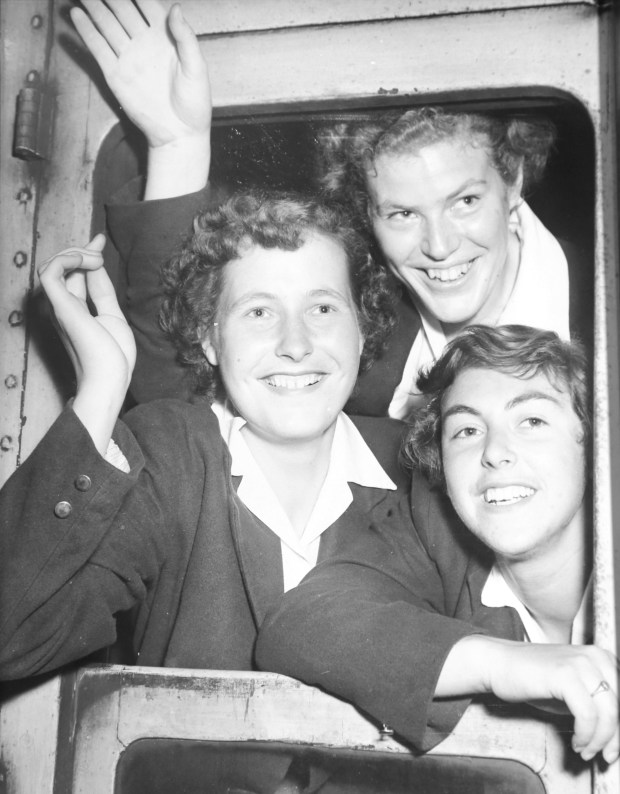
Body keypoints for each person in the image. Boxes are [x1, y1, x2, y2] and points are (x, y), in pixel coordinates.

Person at [70, 0, 592, 415]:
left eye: (466, 201)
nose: (439, 246)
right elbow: (187, 386)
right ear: (369, 214)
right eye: (403, 214)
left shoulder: (596, 304)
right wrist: (175, 144)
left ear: (515, 180)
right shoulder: (368, 324)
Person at [0, 190, 409, 678]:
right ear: (209, 338)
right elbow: (12, 638)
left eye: (322, 308)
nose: (295, 345)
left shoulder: (419, 467)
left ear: (361, 330)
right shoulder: (170, 455)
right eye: (259, 312)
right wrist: (102, 389)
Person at [255, 325, 618, 764]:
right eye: (466, 430)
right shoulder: (435, 530)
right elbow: (300, 623)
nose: (495, 452)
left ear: (594, 443)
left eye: (533, 421)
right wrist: (502, 664)